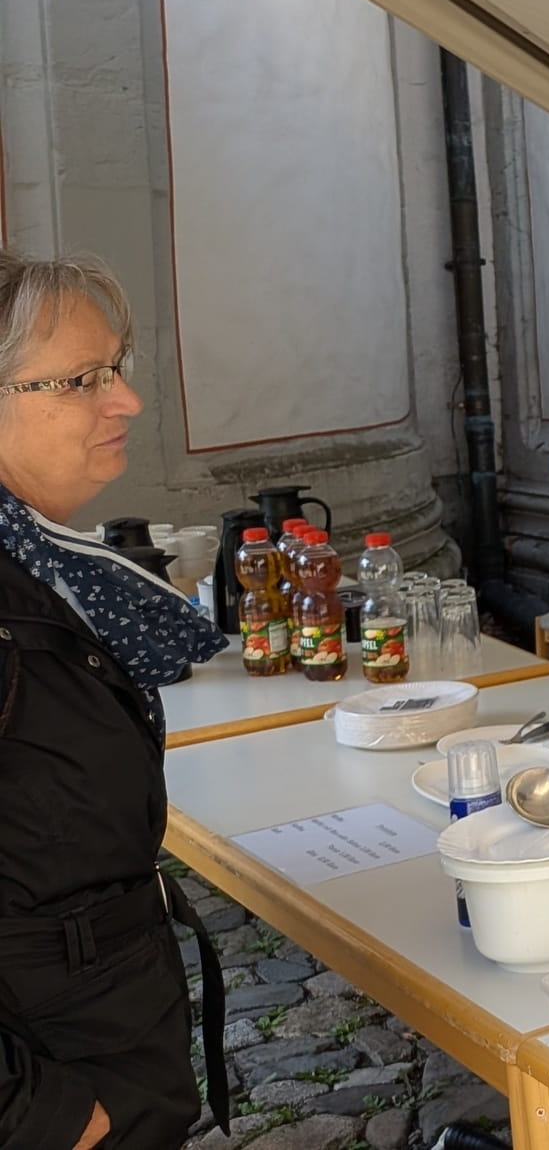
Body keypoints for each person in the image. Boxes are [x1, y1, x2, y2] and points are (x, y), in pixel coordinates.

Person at [0, 254, 231, 1148]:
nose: (127, 401)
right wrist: (45, 1118)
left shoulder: (44, 564)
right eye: (83, 379)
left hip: (104, 1043)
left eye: (118, 367)